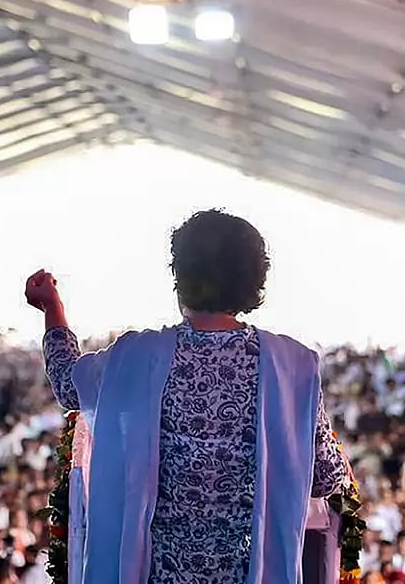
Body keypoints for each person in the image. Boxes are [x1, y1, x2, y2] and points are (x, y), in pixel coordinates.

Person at [25, 209, 352, 583]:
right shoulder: (292, 365)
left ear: (181, 277)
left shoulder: (136, 356)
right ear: (254, 278)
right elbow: (326, 477)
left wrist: (53, 309)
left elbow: (69, 383)